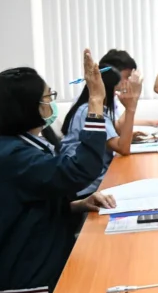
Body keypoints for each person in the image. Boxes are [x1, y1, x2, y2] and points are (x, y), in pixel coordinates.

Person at [0, 50, 116, 293]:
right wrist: (96, 100)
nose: (52, 103)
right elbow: (79, 170)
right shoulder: (15, 154)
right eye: (48, 97)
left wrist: (79, 204)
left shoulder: (16, 144)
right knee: (107, 282)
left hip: (28, 256)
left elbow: (33, 203)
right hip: (21, 279)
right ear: (29, 106)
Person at [60, 67, 143, 196]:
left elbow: (118, 128)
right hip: (87, 184)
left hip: (93, 175)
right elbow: (123, 148)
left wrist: (133, 102)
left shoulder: (90, 108)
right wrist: (131, 107)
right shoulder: (89, 112)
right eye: (115, 90)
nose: (116, 95)